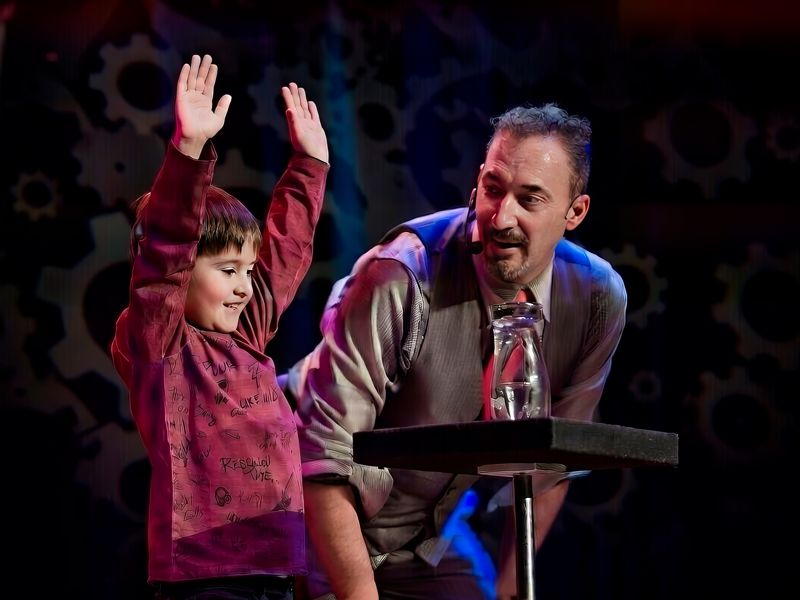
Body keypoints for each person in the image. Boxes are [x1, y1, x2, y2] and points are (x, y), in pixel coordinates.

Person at [284, 102, 627, 600]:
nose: (501, 217)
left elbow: (553, 464)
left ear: (575, 212)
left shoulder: (595, 299)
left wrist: (511, 592)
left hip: (426, 541)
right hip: (309, 521)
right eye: (493, 188)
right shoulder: (403, 273)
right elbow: (322, 455)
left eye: (530, 199)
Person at [111, 54, 328, 599]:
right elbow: (164, 254)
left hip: (273, 567)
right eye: (228, 271)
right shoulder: (161, 346)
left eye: (246, 271)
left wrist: (311, 165)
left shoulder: (243, 338)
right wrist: (188, 153)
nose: (244, 287)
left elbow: (284, 256)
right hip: (206, 576)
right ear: (184, 273)